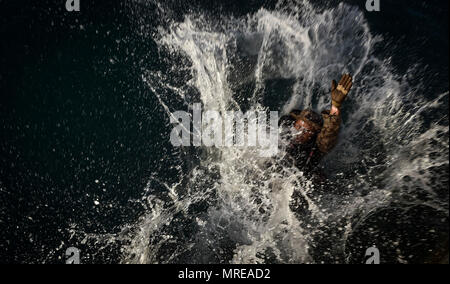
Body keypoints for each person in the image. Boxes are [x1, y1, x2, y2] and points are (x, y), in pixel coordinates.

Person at [279, 74, 353, 174]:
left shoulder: (316, 147)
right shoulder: (285, 129)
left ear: (313, 135)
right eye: (299, 126)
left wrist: (335, 107)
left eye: (306, 131)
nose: (300, 132)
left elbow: (329, 133)